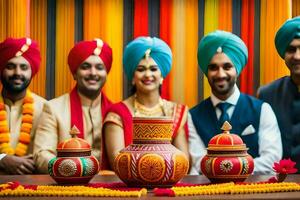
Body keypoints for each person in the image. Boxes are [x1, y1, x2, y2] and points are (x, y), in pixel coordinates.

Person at [189, 30, 282, 174]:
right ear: (206, 72)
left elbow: (271, 160)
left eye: (227, 67)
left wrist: (230, 168)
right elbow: (199, 162)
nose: (220, 74)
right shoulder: (192, 116)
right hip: (210, 193)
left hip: (255, 192)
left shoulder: (262, 109)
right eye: (213, 68)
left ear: (237, 69)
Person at [102, 36, 189, 170]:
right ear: (132, 77)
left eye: (153, 69)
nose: (148, 74)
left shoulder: (175, 111)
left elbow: (183, 161)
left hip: (169, 185)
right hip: (129, 187)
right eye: (141, 69)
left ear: (161, 76)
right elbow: (117, 161)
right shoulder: (118, 113)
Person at [34, 39, 113, 173]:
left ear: (106, 74)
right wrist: (70, 168)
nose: (93, 73)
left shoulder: (115, 112)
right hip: (66, 186)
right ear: (75, 73)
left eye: (99, 67)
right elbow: (41, 155)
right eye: (85, 67)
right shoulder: (53, 108)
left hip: (112, 189)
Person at [258, 16, 300, 172]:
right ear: (284, 54)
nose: (297, 56)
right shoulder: (267, 94)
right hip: (278, 185)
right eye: (291, 49)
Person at [0, 37, 46, 174]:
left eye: (24, 67)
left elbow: (49, 153)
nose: (17, 73)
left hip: (34, 188)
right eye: (10, 66)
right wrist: (2, 159)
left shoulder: (47, 108)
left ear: (32, 72)